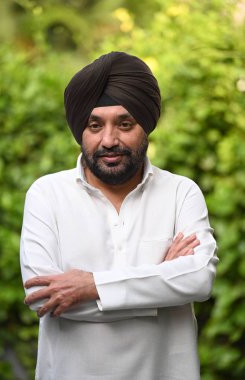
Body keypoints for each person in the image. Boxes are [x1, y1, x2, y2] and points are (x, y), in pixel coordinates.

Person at [20, 51, 218, 380]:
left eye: (125, 124)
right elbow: (43, 299)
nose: (109, 140)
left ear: (146, 127)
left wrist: (91, 285)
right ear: (80, 130)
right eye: (95, 125)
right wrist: (162, 282)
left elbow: (198, 279)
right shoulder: (46, 195)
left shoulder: (181, 192)